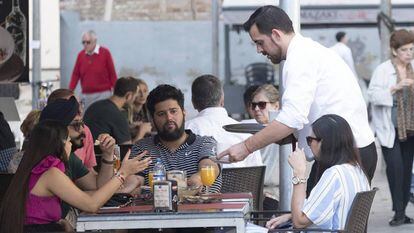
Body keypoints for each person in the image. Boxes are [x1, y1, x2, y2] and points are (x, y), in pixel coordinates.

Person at [218, 6, 377, 187]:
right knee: (304, 211)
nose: (258, 50)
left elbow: (292, 118)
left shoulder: (299, 58)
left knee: (303, 215)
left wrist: (246, 147)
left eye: (260, 42)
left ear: (276, 35)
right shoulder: (306, 51)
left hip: (345, 155)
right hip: (348, 151)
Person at [0, 120, 150, 233]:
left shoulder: (35, 168)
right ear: (59, 144)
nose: (70, 146)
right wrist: (123, 173)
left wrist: (59, 223)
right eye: (68, 141)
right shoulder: (50, 173)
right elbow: (91, 204)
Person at [266, 114, 370, 231]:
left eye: (310, 140)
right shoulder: (357, 171)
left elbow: (299, 222)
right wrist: (291, 215)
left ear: (325, 142)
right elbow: (324, 210)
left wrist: (299, 173)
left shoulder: (334, 175)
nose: (309, 145)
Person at [131, 84, 222, 193]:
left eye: (173, 111)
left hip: (203, 208)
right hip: (156, 209)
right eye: (161, 114)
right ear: (152, 119)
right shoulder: (142, 148)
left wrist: (198, 179)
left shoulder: (205, 143)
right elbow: (135, 181)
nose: (169, 118)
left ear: (184, 112)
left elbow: (209, 166)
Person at [367, 29, 414, 226]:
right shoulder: (384, 70)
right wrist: (394, 87)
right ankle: (398, 211)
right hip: (390, 129)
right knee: (395, 169)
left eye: (411, 49)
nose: (409, 53)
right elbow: (372, 95)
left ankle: (402, 212)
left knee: (406, 170)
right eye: (404, 50)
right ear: (394, 51)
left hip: (410, 129)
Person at [185, 74, 263, 168]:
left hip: (203, 182)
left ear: (193, 103)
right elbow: (257, 173)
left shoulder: (186, 131)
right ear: (222, 100)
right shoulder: (246, 133)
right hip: (241, 182)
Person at [47, 88, 97, 171]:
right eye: (73, 106)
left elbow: (89, 170)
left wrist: (108, 156)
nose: (80, 110)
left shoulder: (84, 131)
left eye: (80, 104)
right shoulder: (46, 137)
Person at [69, 30, 117, 109]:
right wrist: (70, 92)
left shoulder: (105, 53)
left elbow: (112, 74)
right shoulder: (80, 55)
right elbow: (75, 75)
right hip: (86, 95)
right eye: (83, 42)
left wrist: (116, 93)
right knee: (85, 118)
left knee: (102, 118)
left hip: (103, 94)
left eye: (88, 42)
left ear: (95, 41)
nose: (85, 45)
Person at [250, 84, 280, 210]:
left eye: (262, 104)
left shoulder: (285, 133)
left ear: (276, 106)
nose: (256, 109)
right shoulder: (248, 132)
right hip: (255, 196)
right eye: (253, 105)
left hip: (276, 198)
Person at [84, 77, 140, 144]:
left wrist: (127, 128)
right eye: (135, 96)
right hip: (100, 153)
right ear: (128, 95)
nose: (134, 100)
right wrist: (141, 132)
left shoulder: (94, 106)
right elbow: (127, 149)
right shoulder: (117, 116)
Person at [124, 78, 152, 142]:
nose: (142, 95)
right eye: (139, 92)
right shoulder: (124, 111)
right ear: (132, 93)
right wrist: (141, 130)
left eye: (145, 91)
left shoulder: (149, 108)